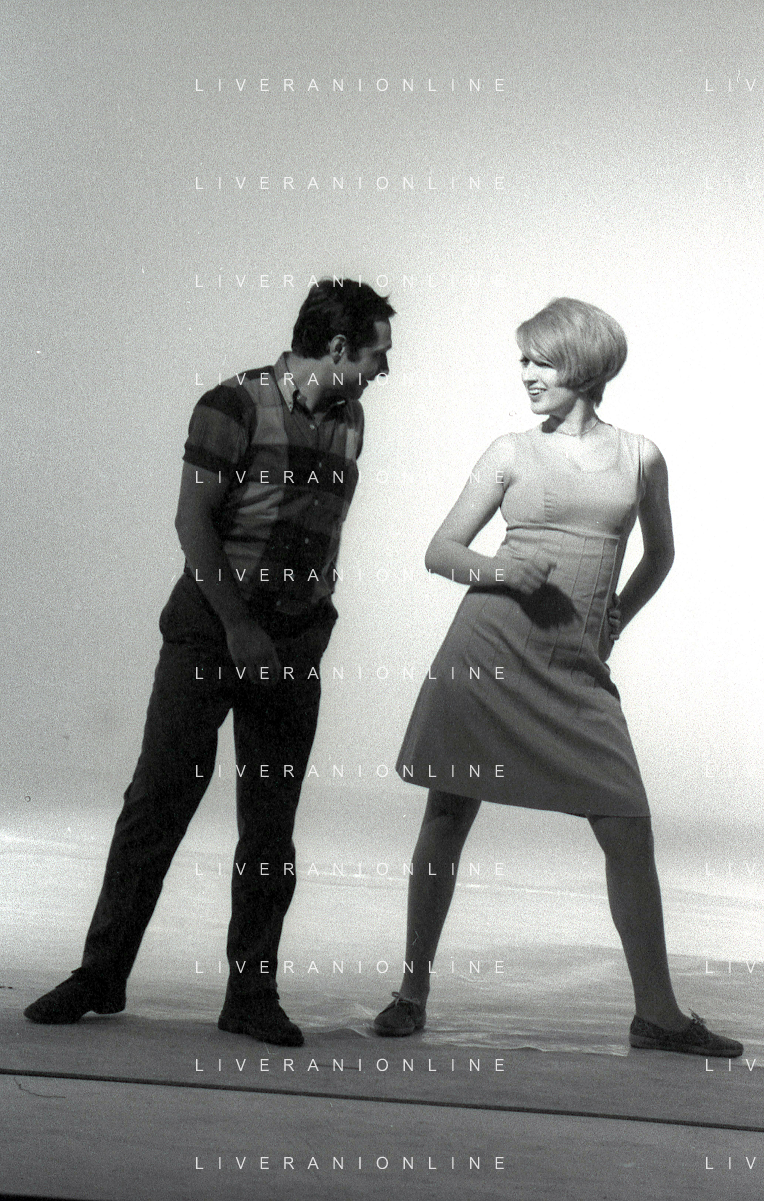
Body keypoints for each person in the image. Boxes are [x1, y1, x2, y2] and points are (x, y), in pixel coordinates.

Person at [25, 278, 395, 1047]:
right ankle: (100, 974)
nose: (383, 370)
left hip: (293, 642)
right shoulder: (232, 404)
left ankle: (251, 994)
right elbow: (193, 522)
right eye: (376, 354)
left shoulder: (350, 421)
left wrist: (306, 624)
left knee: (271, 825)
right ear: (337, 346)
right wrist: (239, 626)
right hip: (211, 630)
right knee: (159, 798)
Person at [373, 297, 742, 1058]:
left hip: (573, 665)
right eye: (524, 360)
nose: (527, 374)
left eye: (541, 361)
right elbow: (441, 550)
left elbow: (661, 556)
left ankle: (658, 1014)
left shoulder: (640, 456)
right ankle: (412, 992)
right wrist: (501, 570)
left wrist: (615, 619)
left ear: (583, 365)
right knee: (448, 814)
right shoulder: (509, 451)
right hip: (488, 650)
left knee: (626, 823)